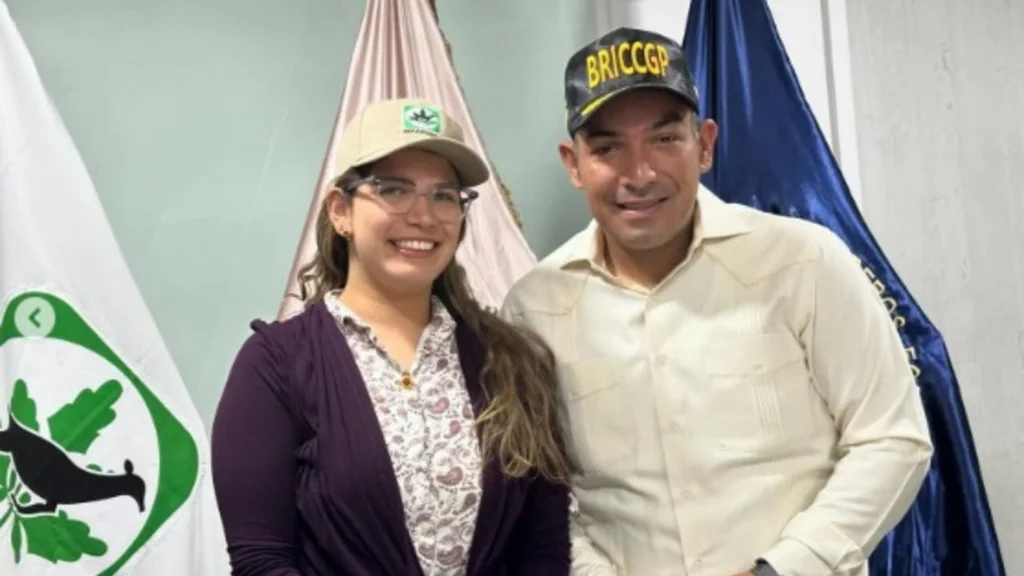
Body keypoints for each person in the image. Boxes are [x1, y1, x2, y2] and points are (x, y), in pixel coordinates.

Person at [500, 27, 934, 576]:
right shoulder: (533, 308)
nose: (640, 173)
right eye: (608, 148)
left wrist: (782, 569)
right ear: (573, 163)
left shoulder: (804, 261)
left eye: (664, 139)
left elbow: (892, 438)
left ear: (705, 145)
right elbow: (539, 493)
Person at [211, 97, 572, 576]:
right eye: (394, 190)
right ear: (341, 210)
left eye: (444, 195)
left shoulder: (509, 361)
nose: (424, 216)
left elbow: (543, 550)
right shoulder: (276, 364)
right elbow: (261, 560)